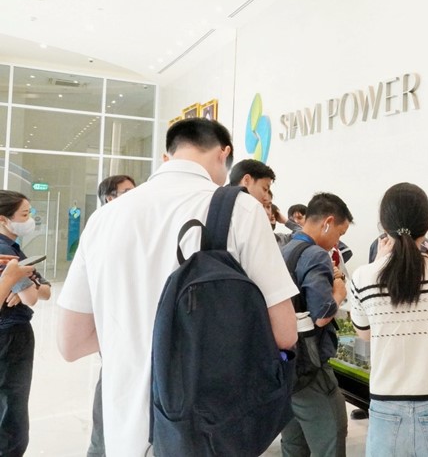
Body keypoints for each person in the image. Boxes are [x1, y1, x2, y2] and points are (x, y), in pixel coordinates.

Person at [56, 118, 298, 456]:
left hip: (124, 431)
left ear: (167, 155)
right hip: (206, 427)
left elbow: (71, 342)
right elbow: (285, 333)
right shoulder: (240, 209)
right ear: (224, 153)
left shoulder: (103, 219)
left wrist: (134, 332)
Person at [349, 183, 428, 457]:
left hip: (386, 405)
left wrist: (377, 263)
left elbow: (365, 334)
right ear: (427, 225)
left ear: (384, 225)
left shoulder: (363, 276)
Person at [280, 193, 352, 457]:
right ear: (327, 222)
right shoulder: (316, 255)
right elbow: (322, 313)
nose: (337, 242)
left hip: (287, 365)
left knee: (293, 443)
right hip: (311, 367)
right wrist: (339, 291)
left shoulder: (285, 250)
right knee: (331, 438)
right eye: (339, 233)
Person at [88, 175, 139, 457]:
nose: (135, 195)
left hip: (133, 328)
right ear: (110, 198)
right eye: (127, 191)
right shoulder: (101, 229)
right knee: (110, 392)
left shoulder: (133, 226)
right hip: (116, 330)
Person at [0, 191, 52, 457]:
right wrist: (18, 284)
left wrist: (28, 287)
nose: (30, 219)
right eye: (24, 214)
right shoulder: (6, 254)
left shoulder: (14, 250)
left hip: (11, 333)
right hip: (11, 335)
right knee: (12, 405)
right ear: (3, 219)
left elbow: (45, 289)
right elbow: (33, 297)